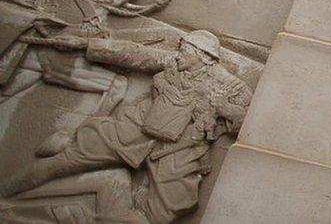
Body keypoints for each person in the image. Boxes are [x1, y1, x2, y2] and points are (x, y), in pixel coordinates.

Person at [0, 30, 252, 223]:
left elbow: (247, 122)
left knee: (169, 210)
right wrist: (88, 45)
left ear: (204, 58)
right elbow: (136, 54)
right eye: (181, 48)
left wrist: (224, 108)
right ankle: (5, 191)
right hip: (135, 128)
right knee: (66, 160)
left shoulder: (231, 87)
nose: (180, 54)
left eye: (186, 51)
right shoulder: (172, 62)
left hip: (180, 149)